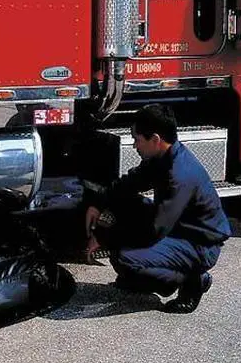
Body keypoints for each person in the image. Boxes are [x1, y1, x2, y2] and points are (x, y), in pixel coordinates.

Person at [84, 103, 231, 313]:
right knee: (126, 205)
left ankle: (192, 281)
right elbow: (129, 184)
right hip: (178, 228)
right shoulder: (163, 156)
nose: (134, 145)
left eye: (137, 139)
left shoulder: (179, 175)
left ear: (155, 139)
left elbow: (154, 231)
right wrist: (98, 204)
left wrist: (104, 238)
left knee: (125, 258)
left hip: (199, 244)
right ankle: (140, 278)